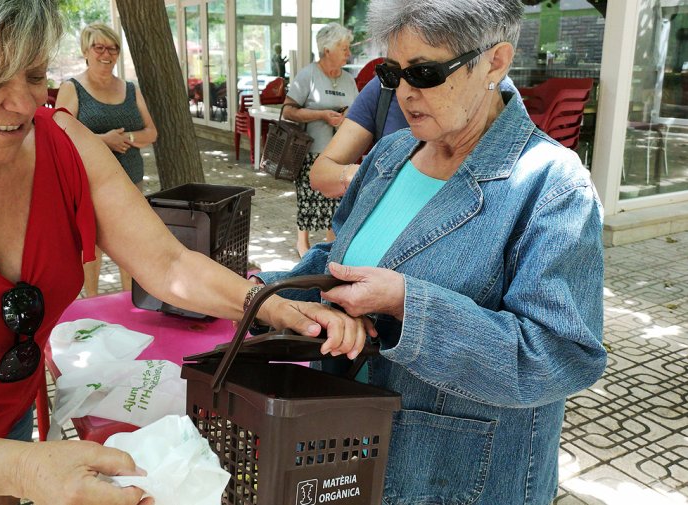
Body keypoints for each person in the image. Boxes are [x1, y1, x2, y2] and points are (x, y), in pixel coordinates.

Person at [0, 1, 370, 504]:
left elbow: (169, 264)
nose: (25, 104)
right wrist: (24, 469)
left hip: (4, 422)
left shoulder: (61, 141)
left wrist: (272, 305)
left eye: (33, 74)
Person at [256, 1, 607, 503]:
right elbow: (340, 259)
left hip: (457, 477)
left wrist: (408, 305)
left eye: (425, 72)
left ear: (496, 61)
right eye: (391, 73)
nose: (404, 92)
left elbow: (560, 357)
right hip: (345, 452)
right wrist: (269, 292)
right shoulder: (390, 154)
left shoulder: (552, 186)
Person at [56, 23, 157, 296]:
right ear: (85, 51)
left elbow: (151, 132)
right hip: (88, 183)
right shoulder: (72, 88)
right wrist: (103, 141)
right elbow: (57, 135)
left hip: (129, 182)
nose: (106, 54)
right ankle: (91, 305)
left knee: (130, 246)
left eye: (112, 48)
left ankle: (128, 304)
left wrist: (128, 139)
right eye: (99, 47)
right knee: (92, 249)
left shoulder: (130, 88)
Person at [281, 22, 358, 257]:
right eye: (344, 48)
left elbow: (357, 111)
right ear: (328, 50)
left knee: (335, 198)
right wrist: (321, 115)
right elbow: (288, 110)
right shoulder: (308, 75)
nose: (349, 53)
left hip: (340, 152)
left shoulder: (348, 80)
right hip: (311, 150)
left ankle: (329, 243)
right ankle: (301, 244)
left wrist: (347, 116)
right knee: (308, 196)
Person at [309, 74, 408, 198]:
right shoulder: (382, 88)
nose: (408, 92)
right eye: (391, 69)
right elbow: (319, 174)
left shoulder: (347, 79)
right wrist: (363, 176)